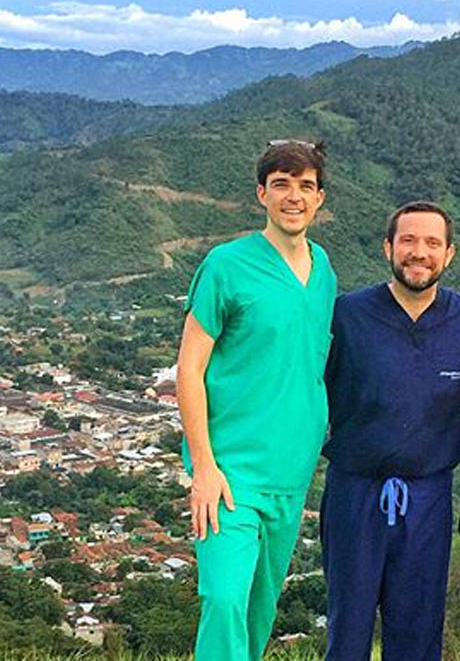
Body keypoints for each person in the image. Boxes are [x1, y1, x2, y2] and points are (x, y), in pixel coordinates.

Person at [322, 201, 460, 660]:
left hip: (427, 497)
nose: (418, 252)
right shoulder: (347, 315)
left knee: (418, 631)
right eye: (408, 240)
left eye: (431, 243)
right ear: (388, 247)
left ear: (449, 254)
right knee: (348, 630)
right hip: (353, 493)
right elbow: (292, 375)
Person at [176, 139, 337, 661]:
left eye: (305, 186)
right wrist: (203, 466)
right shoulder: (227, 266)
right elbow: (190, 367)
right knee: (224, 597)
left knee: (259, 610)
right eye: (282, 185)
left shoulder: (324, 271)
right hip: (229, 472)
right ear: (261, 194)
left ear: (320, 199)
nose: (294, 196)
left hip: (290, 473)